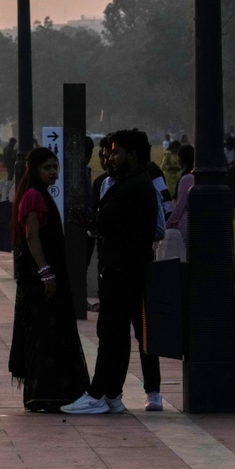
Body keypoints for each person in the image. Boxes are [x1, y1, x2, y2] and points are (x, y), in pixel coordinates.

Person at [63, 129, 162, 414]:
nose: (110, 157)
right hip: (125, 266)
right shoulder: (131, 182)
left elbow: (105, 220)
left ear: (132, 155)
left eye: (116, 152)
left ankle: (96, 394)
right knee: (116, 335)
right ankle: (112, 394)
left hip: (123, 268)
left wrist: (95, 222)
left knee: (111, 333)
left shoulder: (134, 186)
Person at [8, 148, 90, 412]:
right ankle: (45, 392)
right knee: (45, 332)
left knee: (52, 332)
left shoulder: (40, 195)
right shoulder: (33, 196)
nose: (53, 172)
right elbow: (32, 237)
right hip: (40, 278)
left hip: (47, 274)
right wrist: (45, 273)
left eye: (55, 167)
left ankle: (52, 392)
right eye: (47, 167)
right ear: (34, 170)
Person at [168, 144, 195, 251]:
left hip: (184, 225)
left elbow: (180, 205)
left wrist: (169, 223)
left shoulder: (186, 179)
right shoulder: (197, 177)